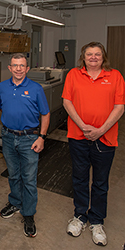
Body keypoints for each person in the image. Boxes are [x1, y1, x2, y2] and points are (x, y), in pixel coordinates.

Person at [62, 42, 125, 246]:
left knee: (100, 182)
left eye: (97, 54)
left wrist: (100, 130)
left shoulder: (115, 76)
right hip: (78, 137)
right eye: (90, 54)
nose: (93, 57)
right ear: (84, 56)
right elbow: (67, 102)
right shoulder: (73, 74)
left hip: (105, 139)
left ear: (103, 56)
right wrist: (83, 126)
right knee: (79, 179)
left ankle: (97, 221)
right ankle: (80, 216)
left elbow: (119, 107)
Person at [0, 53, 50, 237]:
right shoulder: (2, 87)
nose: (18, 69)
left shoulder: (36, 89)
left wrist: (41, 137)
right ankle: (15, 202)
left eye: (22, 66)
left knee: (28, 178)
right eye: (15, 65)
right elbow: (1, 107)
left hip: (30, 139)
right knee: (13, 174)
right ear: (9, 68)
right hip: (9, 137)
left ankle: (28, 214)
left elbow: (45, 113)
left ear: (27, 69)